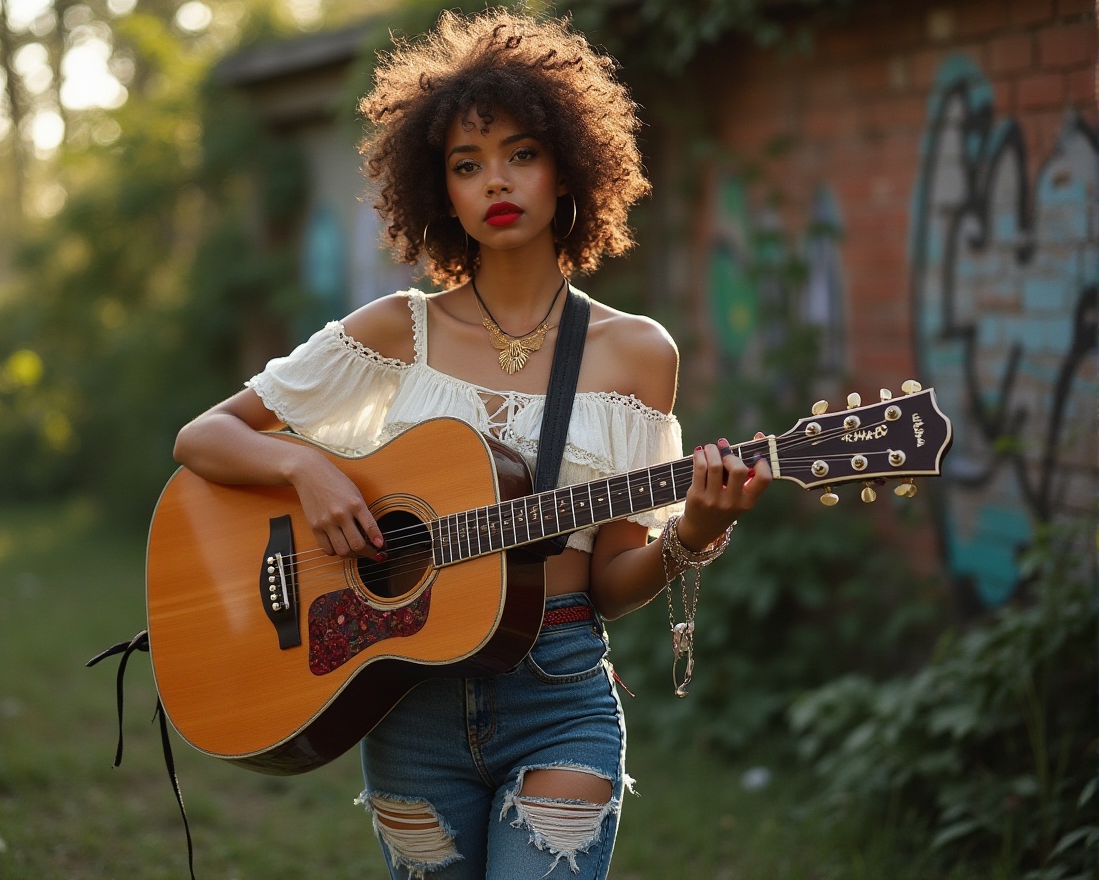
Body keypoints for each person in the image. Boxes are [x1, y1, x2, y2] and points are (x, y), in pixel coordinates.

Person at [173, 8, 771, 879]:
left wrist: (694, 536)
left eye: (521, 153)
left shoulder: (638, 354)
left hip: (559, 688)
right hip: (405, 696)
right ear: (439, 191)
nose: (498, 181)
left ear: (569, 165)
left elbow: (609, 581)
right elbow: (204, 438)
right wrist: (304, 467)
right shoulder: (394, 332)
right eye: (467, 164)